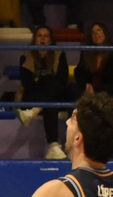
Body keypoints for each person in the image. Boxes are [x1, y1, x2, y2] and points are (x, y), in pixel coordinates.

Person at [19, 25, 75, 159]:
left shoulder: (59, 55)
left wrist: (41, 79)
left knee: (58, 94)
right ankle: (54, 146)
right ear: (34, 39)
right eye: (39, 36)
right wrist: (45, 81)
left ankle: (34, 112)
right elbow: (27, 83)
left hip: (50, 99)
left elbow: (62, 79)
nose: (43, 39)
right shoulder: (26, 56)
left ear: (50, 40)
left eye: (46, 36)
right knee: (51, 94)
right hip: (33, 97)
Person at [74, 22, 113, 100]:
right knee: (71, 89)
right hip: (90, 93)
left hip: (111, 94)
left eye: (99, 30)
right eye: (93, 32)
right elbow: (79, 73)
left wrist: (96, 89)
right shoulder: (87, 53)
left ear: (105, 32)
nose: (96, 34)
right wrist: (86, 85)